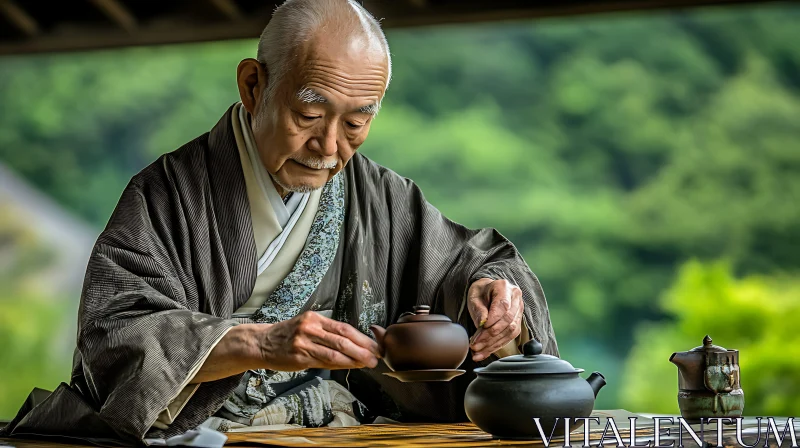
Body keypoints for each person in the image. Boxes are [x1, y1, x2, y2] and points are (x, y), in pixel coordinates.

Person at [1, 0, 558, 443]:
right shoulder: (169, 194)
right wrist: (258, 344)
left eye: (357, 123)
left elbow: (474, 259)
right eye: (309, 115)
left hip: (344, 437)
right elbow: (112, 336)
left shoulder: (381, 197)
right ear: (253, 86)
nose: (330, 146)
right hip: (204, 436)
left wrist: (495, 296)